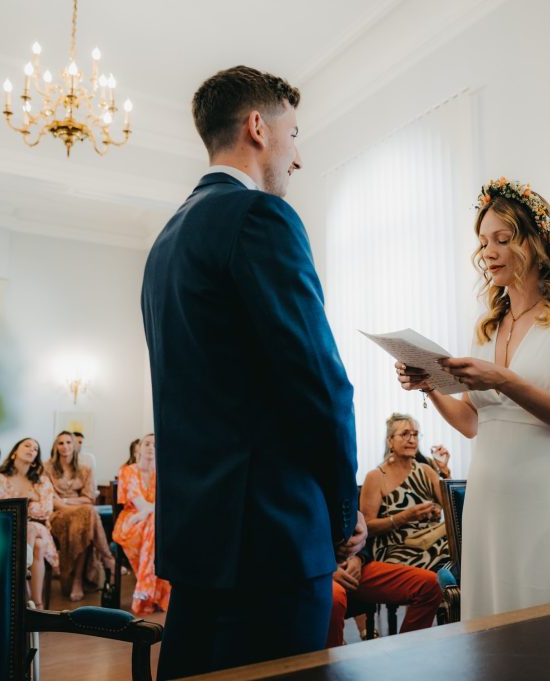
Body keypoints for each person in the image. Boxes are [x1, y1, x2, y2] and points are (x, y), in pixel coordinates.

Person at [141, 65, 363, 678]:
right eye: (295, 135)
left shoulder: (166, 242)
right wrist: (343, 511)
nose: (298, 157)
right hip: (272, 538)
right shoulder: (260, 217)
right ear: (259, 127)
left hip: (198, 542)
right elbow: (320, 383)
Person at [397, 177, 550, 619]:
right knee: (494, 626)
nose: (488, 253)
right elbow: (474, 423)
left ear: (535, 241)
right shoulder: (488, 325)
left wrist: (506, 380)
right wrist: (430, 384)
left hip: (546, 495)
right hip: (489, 500)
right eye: (483, 242)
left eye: (503, 239)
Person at [360, 413, 451, 572]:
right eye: (405, 434)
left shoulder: (426, 470)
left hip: (432, 540)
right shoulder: (375, 477)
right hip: (397, 549)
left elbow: (452, 507)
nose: (412, 440)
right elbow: (366, 527)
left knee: (464, 548)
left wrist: (445, 473)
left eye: (415, 435)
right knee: (450, 558)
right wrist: (404, 517)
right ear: (390, 441)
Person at [0, 438, 60, 609]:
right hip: (8, 528)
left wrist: (21, 507)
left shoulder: (42, 481)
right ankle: (36, 604)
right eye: (27, 445)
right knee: (38, 545)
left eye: (35, 449)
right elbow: (2, 508)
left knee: (31, 528)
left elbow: (46, 510)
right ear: (14, 452)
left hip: (38, 526)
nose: (31, 449)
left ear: (36, 458)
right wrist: (31, 502)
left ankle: (22, 594)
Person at [46, 431, 114, 601]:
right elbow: (50, 499)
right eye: (61, 443)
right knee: (89, 514)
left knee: (83, 524)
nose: (65, 446)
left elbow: (89, 498)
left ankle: (77, 580)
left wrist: (66, 500)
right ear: (55, 447)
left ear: (75, 446)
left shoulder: (85, 470)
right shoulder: (47, 468)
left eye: (69, 442)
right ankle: (107, 559)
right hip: (57, 514)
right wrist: (71, 505)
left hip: (80, 514)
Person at [326, 550, 442, 648]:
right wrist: (324, 568)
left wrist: (358, 557)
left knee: (430, 584)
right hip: (320, 571)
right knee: (333, 599)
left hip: (349, 562)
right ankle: (328, 664)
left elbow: (359, 535)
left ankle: (408, 655)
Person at [113, 433, 170, 614]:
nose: (151, 447)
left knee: (153, 525)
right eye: (147, 444)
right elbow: (140, 504)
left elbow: (167, 502)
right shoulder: (128, 471)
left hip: (152, 521)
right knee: (156, 529)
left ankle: (145, 592)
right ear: (139, 448)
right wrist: (148, 511)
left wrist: (147, 513)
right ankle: (153, 593)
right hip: (131, 521)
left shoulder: (163, 472)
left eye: (155, 444)